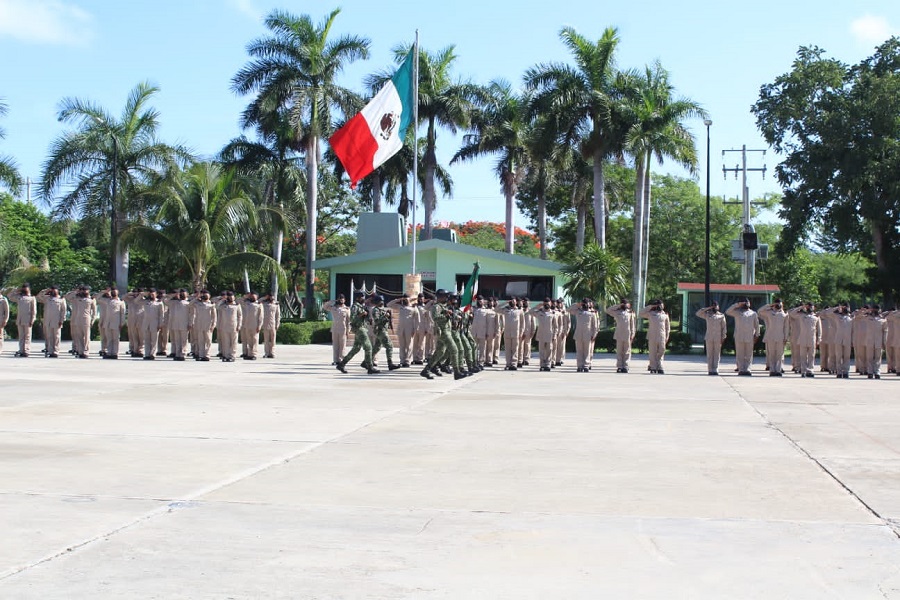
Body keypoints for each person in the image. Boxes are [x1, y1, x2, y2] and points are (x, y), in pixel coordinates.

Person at [336, 292, 377, 375]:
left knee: (356, 348)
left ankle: (342, 364)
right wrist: (362, 314)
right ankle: (369, 367)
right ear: (358, 298)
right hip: (359, 329)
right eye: (362, 297)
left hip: (363, 328)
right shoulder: (355, 306)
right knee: (369, 347)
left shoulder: (361, 306)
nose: (363, 299)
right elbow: (353, 318)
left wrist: (368, 318)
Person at [726, 298, 760, 375]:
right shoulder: (737, 312)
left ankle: (748, 369)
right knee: (740, 354)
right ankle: (741, 369)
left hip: (750, 336)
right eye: (744, 302)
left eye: (747, 302)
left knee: (749, 354)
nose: (746, 304)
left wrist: (757, 335)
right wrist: (737, 305)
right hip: (739, 336)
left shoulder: (753, 313)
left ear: (750, 304)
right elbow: (727, 311)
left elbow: (757, 325)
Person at [789, 302, 822, 377]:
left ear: (814, 308)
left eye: (811, 306)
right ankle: (803, 370)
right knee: (803, 355)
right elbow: (792, 314)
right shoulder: (801, 315)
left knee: (811, 355)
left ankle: (810, 370)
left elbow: (819, 329)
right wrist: (801, 307)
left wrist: (819, 338)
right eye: (808, 306)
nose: (810, 308)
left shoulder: (816, 316)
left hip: (812, 339)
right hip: (803, 338)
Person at [821, 302, 854, 378]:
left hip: (847, 340)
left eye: (847, 307)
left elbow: (853, 331)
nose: (846, 309)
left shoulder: (851, 318)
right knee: (838, 356)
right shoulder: (836, 316)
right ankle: (839, 372)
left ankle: (846, 371)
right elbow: (827, 313)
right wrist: (837, 308)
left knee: (846, 357)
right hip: (838, 339)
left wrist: (852, 341)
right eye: (844, 307)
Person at [758, 299, 790, 377]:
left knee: (779, 354)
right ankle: (772, 370)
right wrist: (769, 305)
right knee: (771, 354)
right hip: (770, 336)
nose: (778, 305)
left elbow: (786, 327)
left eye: (780, 304)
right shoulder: (769, 313)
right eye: (777, 304)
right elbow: (759, 311)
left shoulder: (785, 314)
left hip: (780, 336)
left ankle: (778, 370)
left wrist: (786, 337)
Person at [369, 295, 401, 371]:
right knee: (389, 346)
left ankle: (366, 361)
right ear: (377, 302)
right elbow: (377, 321)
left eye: (383, 301)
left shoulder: (382, 309)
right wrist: (385, 316)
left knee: (376, 348)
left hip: (383, 330)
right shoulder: (375, 310)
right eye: (380, 301)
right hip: (380, 331)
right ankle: (390, 364)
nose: (382, 302)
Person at [64, 286, 97, 359]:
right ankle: (80, 351)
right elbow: (66, 297)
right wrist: (75, 292)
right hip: (77, 319)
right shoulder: (76, 298)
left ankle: (86, 351)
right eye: (82, 290)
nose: (83, 291)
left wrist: (93, 320)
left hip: (86, 319)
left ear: (88, 291)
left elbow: (94, 312)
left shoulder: (91, 300)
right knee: (79, 336)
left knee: (86, 336)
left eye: (85, 290)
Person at [695, 302, 727, 375]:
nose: (715, 307)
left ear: (718, 307)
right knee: (710, 354)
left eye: (716, 306)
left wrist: (723, 337)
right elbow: (698, 313)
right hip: (709, 337)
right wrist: (708, 308)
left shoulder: (721, 316)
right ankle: (710, 369)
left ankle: (715, 369)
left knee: (716, 354)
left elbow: (724, 327)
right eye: (714, 305)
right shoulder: (707, 314)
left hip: (718, 337)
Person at [387, 295, 419, 367]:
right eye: (404, 298)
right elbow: (388, 304)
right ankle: (402, 360)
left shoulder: (413, 308)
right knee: (402, 345)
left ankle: (407, 360)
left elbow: (417, 320)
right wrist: (398, 299)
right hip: (401, 329)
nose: (405, 300)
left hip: (409, 329)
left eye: (406, 298)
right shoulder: (400, 307)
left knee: (409, 345)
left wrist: (415, 329)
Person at [605, 299, 636, 373]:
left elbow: (633, 325)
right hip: (619, 334)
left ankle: (626, 366)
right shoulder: (617, 312)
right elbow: (608, 310)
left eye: (626, 304)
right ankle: (619, 366)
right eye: (624, 304)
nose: (625, 305)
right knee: (619, 351)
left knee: (627, 351)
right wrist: (619, 306)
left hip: (628, 334)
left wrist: (633, 334)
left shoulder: (631, 313)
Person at [5, 284, 37, 357]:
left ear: (29, 289)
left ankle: (26, 350)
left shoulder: (32, 298)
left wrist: (32, 320)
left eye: (26, 288)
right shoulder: (19, 297)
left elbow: (34, 311)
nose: (24, 289)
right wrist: (16, 290)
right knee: (21, 336)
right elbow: (9, 296)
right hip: (20, 319)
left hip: (28, 319)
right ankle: (21, 350)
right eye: (23, 288)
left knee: (27, 336)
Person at [639, 300, 670, 374]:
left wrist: (667, 336)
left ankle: (660, 366)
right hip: (652, 335)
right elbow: (640, 313)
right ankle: (653, 367)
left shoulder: (665, 315)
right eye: (659, 305)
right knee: (652, 352)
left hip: (662, 336)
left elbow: (667, 327)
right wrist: (651, 306)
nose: (661, 307)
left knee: (661, 351)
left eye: (662, 305)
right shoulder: (650, 314)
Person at [568, 298, 599, 372]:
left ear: (589, 304)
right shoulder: (578, 311)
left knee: (587, 351)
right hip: (578, 334)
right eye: (584, 303)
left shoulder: (592, 313)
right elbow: (568, 310)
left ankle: (586, 365)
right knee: (579, 351)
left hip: (588, 334)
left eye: (586, 303)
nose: (585, 304)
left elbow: (594, 326)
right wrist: (577, 304)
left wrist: (594, 335)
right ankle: (579, 366)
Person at [529, 297, 559, 371]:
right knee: (542, 351)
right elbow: (530, 312)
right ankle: (542, 364)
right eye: (545, 303)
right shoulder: (539, 313)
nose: (547, 305)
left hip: (550, 335)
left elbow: (556, 326)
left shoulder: (553, 313)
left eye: (548, 303)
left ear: (551, 304)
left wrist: (554, 335)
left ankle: (548, 365)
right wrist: (537, 306)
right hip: (541, 334)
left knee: (549, 350)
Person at [36, 287, 67, 359]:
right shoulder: (47, 298)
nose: (53, 291)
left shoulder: (61, 299)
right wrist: (45, 290)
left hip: (57, 321)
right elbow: (38, 297)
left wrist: (62, 320)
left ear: (58, 290)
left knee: (56, 337)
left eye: (54, 289)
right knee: (49, 336)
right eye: (52, 289)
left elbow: (63, 311)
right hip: (48, 321)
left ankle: (56, 351)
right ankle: (50, 351)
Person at [96, 288, 125, 359]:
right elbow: (98, 298)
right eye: (112, 292)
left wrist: (121, 323)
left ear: (118, 293)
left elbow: (122, 314)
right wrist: (103, 292)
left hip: (116, 323)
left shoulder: (121, 302)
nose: (114, 292)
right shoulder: (108, 301)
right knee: (109, 338)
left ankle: (115, 353)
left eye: (115, 291)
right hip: (108, 323)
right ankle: (109, 352)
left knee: (115, 339)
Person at [861, 304, 888, 379]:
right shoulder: (868, 318)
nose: (876, 311)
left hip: (879, 341)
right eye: (875, 309)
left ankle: (877, 372)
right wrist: (867, 311)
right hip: (869, 340)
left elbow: (885, 331)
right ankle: (870, 372)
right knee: (869, 357)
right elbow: (858, 316)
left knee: (878, 358)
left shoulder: (883, 320)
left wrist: (884, 342)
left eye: (877, 309)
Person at [164, 289, 192, 361]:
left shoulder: (188, 303)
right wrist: (173, 295)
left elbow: (191, 315)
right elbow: (165, 301)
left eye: (183, 293)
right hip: (175, 323)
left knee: (184, 340)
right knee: (177, 340)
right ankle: (177, 353)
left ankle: (183, 354)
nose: (182, 294)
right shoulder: (174, 302)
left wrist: (190, 323)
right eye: (181, 293)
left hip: (184, 324)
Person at [323, 295, 351, 365]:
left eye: (343, 299)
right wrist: (332, 301)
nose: (341, 300)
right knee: (335, 345)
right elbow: (325, 307)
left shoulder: (347, 309)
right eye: (340, 299)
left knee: (342, 345)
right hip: (335, 329)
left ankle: (341, 359)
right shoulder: (333, 308)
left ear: (344, 300)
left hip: (343, 329)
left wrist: (348, 331)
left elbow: (348, 321)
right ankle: (335, 360)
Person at [191, 290, 217, 361]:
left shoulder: (212, 304)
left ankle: (207, 355)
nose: (205, 295)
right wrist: (197, 297)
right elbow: (190, 304)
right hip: (199, 324)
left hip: (208, 325)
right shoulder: (197, 303)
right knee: (200, 340)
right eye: (203, 294)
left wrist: (213, 324)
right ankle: (201, 355)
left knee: (208, 340)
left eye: (206, 294)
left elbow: (214, 316)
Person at [216, 291, 242, 362]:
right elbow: (216, 307)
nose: (231, 297)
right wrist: (222, 299)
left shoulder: (237, 305)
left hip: (234, 326)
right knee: (225, 342)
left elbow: (240, 316)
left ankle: (232, 356)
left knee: (233, 342)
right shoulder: (223, 305)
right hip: (224, 326)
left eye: (232, 296)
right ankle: (226, 356)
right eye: (229, 296)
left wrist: (239, 325)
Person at [140, 289, 165, 360]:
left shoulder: (159, 303)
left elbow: (161, 315)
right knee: (147, 340)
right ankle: (147, 354)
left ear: (156, 294)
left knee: (154, 340)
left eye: (153, 294)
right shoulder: (146, 301)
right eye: (150, 294)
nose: (152, 295)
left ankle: (152, 354)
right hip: (146, 323)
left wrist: (160, 324)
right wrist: (142, 294)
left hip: (155, 323)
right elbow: (136, 301)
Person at [500, 298, 525, 370]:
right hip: (507, 332)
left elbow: (522, 323)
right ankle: (508, 363)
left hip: (516, 333)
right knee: (507, 349)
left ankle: (514, 364)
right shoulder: (505, 310)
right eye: (511, 300)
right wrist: (505, 302)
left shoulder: (519, 311)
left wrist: (521, 332)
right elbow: (496, 309)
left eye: (514, 300)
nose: (512, 302)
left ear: (516, 302)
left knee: (515, 349)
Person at [124, 289, 146, 357]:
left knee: (141, 336)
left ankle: (141, 350)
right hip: (132, 319)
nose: (136, 293)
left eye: (137, 292)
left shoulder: (143, 300)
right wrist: (130, 293)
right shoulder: (130, 299)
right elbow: (123, 297)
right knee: (133, 335)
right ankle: (135, 349)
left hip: (141, 319)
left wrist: (141, 295)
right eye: (135, 292)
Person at [260, 292, 281, 358]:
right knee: (266, 340)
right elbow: (257, 301)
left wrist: (277, 324)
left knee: (273, 340)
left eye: (273, 296)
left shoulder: (276, 304)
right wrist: (265, 297)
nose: (272, 298)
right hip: (265, 323)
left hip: (273, 324)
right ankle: (266, 353)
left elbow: (278, 315)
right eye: (270, 296)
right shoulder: (263, 303)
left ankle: (272, 353)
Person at [519, 298, 535, 368]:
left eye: (527, 302)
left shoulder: (531, 311)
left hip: (528, 331)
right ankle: (520, 359)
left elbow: (533, 322)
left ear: (529, 303)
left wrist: (533, 331)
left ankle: (526, 359)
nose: (525, 303)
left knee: (527, 346)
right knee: (520, 346)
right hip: (520, 332)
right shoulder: (519, 311)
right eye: (524, 302)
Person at [553, 298, 569, 367]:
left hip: (563, 331)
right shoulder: (555, 311)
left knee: (561, 346)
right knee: (555, 346)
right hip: (556, 331)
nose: (560, 304)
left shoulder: (566, 312)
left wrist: (566, 331)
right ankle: (555, 360)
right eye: (558, 303)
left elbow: (568, 322)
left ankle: (559, 359)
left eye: (561, 303)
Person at [887, 306, 900, 375]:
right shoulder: (894, 316)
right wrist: (894, 312)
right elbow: (885, 316)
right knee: (897, 356)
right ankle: (897, 370)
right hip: (896, 339)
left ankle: (897, 369)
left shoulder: (894, 316)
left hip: (896, 339)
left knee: (897, 356)